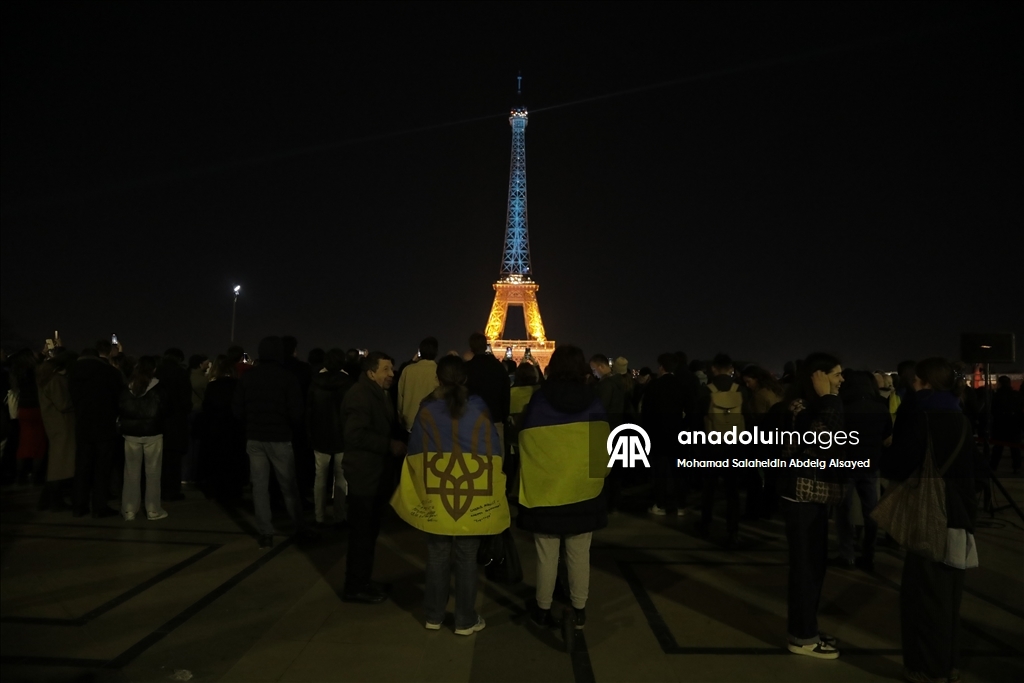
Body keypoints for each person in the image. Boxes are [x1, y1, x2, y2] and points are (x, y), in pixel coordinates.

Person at [880, 358, 983, 683]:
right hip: (958, 516)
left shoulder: (920, 417)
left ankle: (928, 670)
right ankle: (947, 664)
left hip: (929, 517)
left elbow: (897, 466)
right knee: (948, 600)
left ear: (922, 383)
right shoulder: (960, 418)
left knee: (923, 599)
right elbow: (976, 474)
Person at [391, 355, 508, 635]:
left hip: (436, 488)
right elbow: (494, 450)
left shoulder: (427, 410)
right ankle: (465, 620)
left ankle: (433, 614)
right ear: (466, 379)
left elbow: (415, 450)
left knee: (437, 554)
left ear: (437, 379)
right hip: (473, 491)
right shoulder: (478, 407)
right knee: (467, 557)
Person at [517, 345, 610, 632]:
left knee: (547, 554)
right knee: (580, 553)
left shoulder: (538, 401)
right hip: (583, 491)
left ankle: (543, 608)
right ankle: (579, 609)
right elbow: (602, 455)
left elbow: (525, 444)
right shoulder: (594, 403)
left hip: (546, 490)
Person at [779, 352, 845, 659]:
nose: (841, 380)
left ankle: (808, 629)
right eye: (835, 374)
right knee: (806, 568)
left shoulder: (814, 406)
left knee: (815, 566)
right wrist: (829, 399)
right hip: (801, 496)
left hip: (815, 496)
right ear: (817, 377)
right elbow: (820, 442)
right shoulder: (799, 408)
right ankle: (803, 636)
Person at [232, 336, 315, 548]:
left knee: (259, 487)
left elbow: (238, 410)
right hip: (280, 437)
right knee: (288, 486)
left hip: (255, 437)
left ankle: (265, 532)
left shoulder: (248, 378)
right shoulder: (287, 378)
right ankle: (299, 528)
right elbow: (297, 412)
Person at [340, 351, 407, 603]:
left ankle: (362, 580)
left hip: (374, 473)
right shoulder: (360, 395)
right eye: (386, 369)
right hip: (364, 475)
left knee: (368, 533)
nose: (392, 374)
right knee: (362, 534)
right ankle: (355, 586)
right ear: (371, 373)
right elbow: (354, 434)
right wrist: (389, 445)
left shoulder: (376, 393)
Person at [830, 370, 891, 572]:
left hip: (846, 465)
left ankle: (846, 553)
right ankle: (869, 553)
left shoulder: (842, 407)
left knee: (844, 512)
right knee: (871, 511)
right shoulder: (880, 406)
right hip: (870, 464)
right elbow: (886, 436)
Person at [68, 339, 125, 517]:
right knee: (102, 468)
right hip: (104, 424)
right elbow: (120, 397)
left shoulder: (73, 372)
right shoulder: (109, 372)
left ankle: (79, 505)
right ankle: (99, 506)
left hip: (83, 423)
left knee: (82, 466)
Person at [697, 353, 749, 547]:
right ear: (731, 369)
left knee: (709, 488)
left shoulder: (706, 391)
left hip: (711, 447)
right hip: (734, 446)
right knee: (732, 491)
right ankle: (733, 530)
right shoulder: (741, 390)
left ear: (713, 369)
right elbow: (749, 419)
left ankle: (705, 523)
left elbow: (696, 419)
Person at [307, 348, 355, 526]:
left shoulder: (315, 382)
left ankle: (319, 516)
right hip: (342, 437)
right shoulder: (349, 383)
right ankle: (339, 515)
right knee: (341, 478)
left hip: (320, 436)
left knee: (320, 477)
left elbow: (309, 411)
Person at [118, 356, 169, 521]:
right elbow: (166, 409)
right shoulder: (159, 387)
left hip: (131, 434)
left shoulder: (128, 387)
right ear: (154, 369)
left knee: (131, 473)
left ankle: (129, 509)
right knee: (153, 473)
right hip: (153, 433)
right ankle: (153, 509)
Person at [642, 353, 691, 516]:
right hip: (678, 433)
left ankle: (661, 504)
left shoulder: (654, 386)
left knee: (660, 472)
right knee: (679, 471)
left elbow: (646, 412)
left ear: (661, 367)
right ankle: (681, 505)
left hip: (658, 434)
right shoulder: (682, 385)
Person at [200, 355, 245, 503]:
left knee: (215, 461)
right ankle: (233, 492)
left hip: (215, 428)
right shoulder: (239, 385)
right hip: (234, 428)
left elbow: (207, 408)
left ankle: (214, 491)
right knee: (234, 461)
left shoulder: (213, 386)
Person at [37, 350, 77, 510]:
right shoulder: (56, 381)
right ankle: (52, 499)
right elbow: (63, 403)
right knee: (60, 463)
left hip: (55, 425)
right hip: (63, 425)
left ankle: (50, 499)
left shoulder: (46, 380)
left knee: (58, 462)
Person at [156, 349, 191, 501]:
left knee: (158, 459)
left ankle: (157, 489)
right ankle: (172, 490)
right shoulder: (181, 373)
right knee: (174, 460)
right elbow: (185, 400)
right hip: (176, 421)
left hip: (158, 420)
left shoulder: (157, 372)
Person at [464, 332, 510, 448]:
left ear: (471, 348)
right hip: (495, 418)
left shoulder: (465, 369)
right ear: (486, 347)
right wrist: (503, 418)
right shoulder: (499, 368)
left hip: (471, 419)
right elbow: (505, 395)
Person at [10, 352, 47, 485]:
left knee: (24, 443)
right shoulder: (35, 372)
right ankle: (36, 476)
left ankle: (20, 476)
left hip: (23, 409)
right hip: (36, 408)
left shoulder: (17, 373)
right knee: (39, 444)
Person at [397, 337, 440, 432]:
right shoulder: (439, 371)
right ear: (436, 352)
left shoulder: (408, 370)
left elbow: (400, 398)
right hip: (432, 423)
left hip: (409, 423)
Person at [991, 375, 1023, 474]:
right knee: (1015, 449)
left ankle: (993, 467)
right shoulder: (1016, 395)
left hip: (1000, 425)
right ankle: (1016, 468)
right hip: (1014, 425)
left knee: (998, 448)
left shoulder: (996, 396)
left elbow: (993, 410)